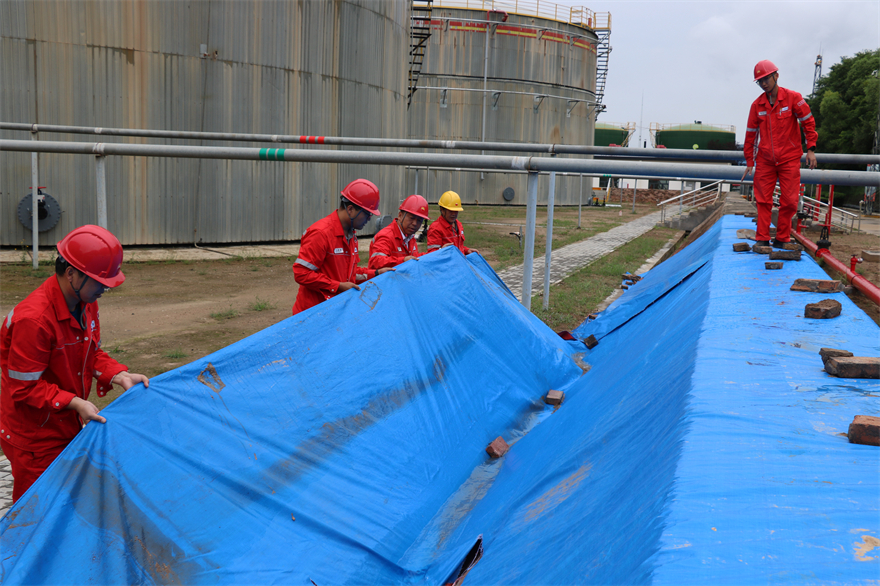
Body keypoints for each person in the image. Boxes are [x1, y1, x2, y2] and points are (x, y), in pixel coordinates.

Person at [0, 225, 150, 503]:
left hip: (61, 422)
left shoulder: (84, 302)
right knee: (37, 512)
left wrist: (119, 374)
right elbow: (23, 389)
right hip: (33, 435)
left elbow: (89, 354)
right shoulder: (34, 321)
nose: (105, 288)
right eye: (99, 281)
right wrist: (76, 403)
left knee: (66, 501)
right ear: (72, 274)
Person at [742, 60, 818, 248]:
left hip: (789, 159)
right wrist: (749, 161)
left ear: (776, 76)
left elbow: (808, 122)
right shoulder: (757, 105)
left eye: (766, 78)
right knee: (762, 200)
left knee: (790, 201)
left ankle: (782, 238)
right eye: (759, 81)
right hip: (765, 161)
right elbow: (751, 135)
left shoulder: (793, 98)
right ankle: (762, 239)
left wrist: (811, 149)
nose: (763, 83)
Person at [292, 179, 395, 314]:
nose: (369, 219)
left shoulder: (351, 235)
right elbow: (301, 273)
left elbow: (349, 275)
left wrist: (376, 273)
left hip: (334, 310)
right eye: (367, 214)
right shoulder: (321, 233)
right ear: (350, 209)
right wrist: (338, 286)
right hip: (312, 314)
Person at [368, 195, 430, 270]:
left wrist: (439, 252)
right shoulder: (386, 236)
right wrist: (403, 261)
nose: (415, 223)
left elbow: (414, 258)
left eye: (419, 220)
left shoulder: (409, 237)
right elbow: (375, 262)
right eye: (411, 218)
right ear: (400, 215)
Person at [426, 191, 480, 256]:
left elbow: (458, 247)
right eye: (451, 211)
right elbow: (431, 254)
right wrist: (441, 250)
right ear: (442, 210)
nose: (454, 214)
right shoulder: (435, 228)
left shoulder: (458, 225)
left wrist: (466, 250)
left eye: (456, 211)